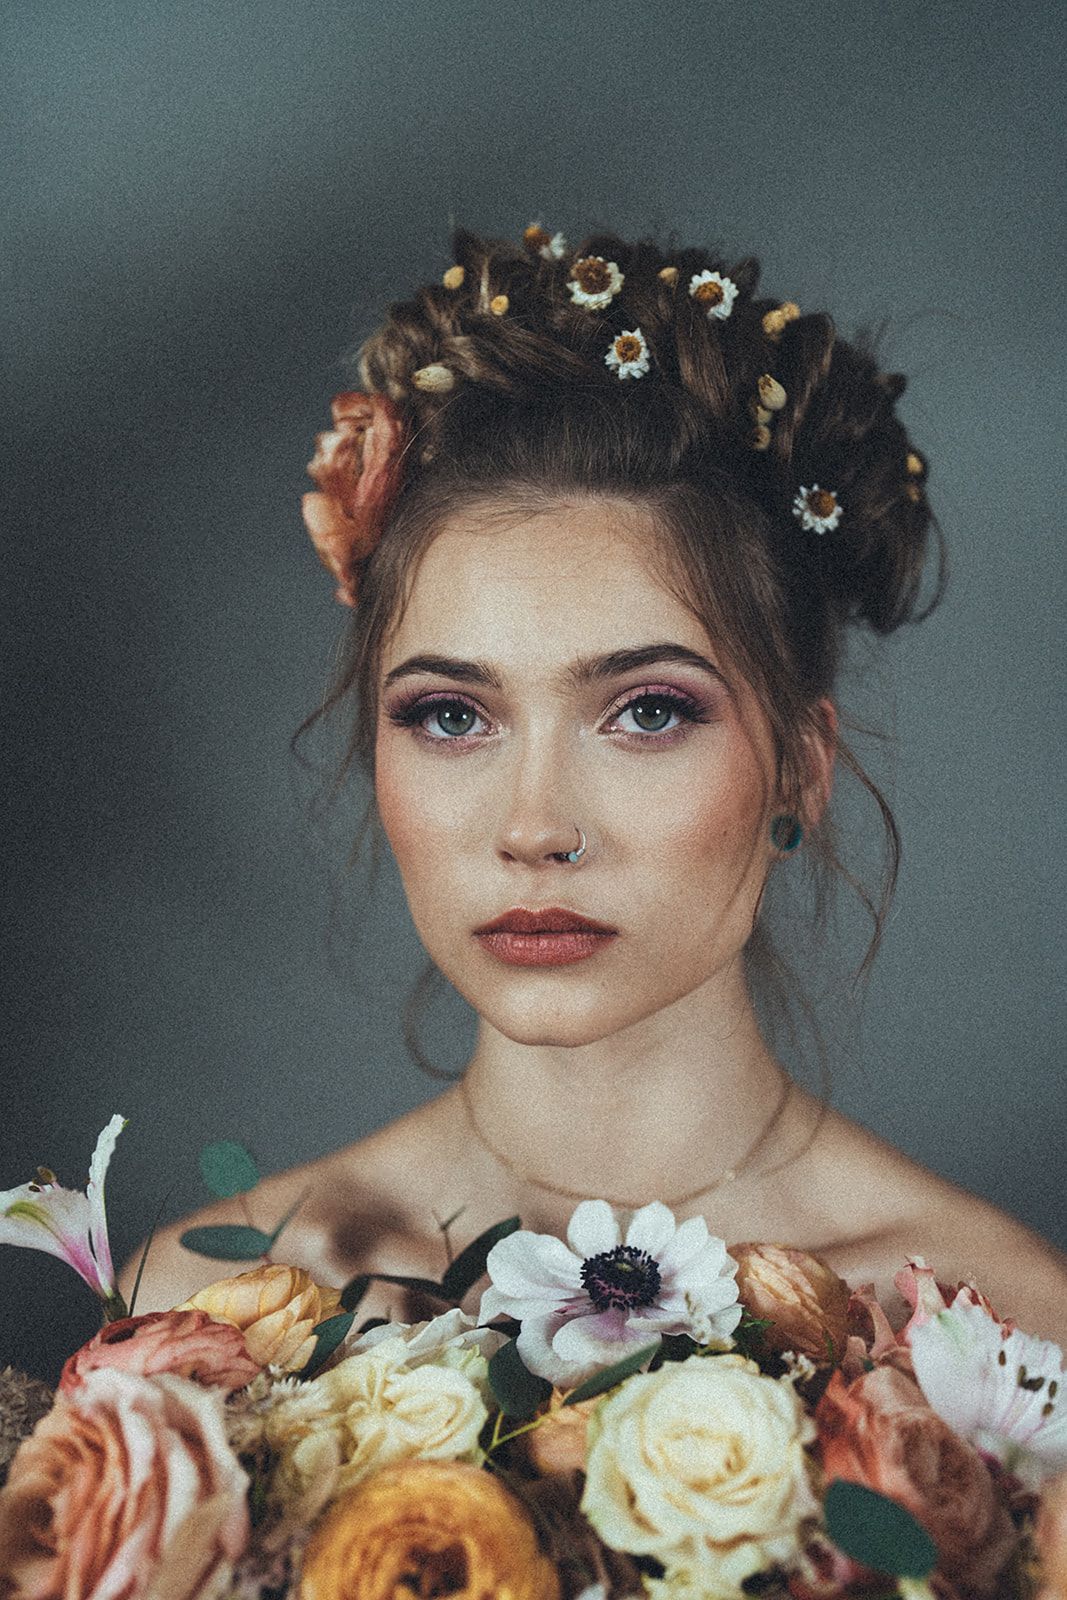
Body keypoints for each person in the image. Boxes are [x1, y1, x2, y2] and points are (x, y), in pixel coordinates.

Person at [122, 222, 1067, 1345]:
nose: (533, 827)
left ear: (797, 773)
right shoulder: (197, 1313)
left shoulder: (994, 1332)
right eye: (451, 715)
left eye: (647, 712)